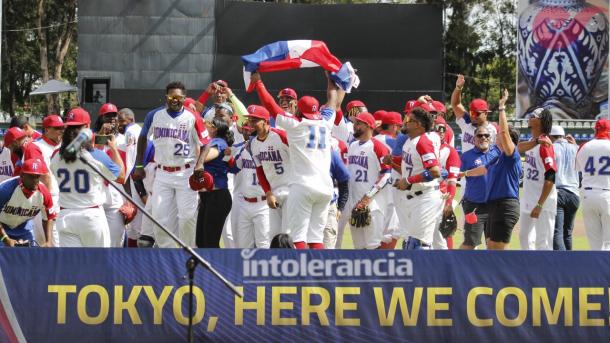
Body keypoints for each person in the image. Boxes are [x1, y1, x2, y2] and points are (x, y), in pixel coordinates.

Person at [272, 75, 343, 249]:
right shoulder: (326, 122)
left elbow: (270, 106)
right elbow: (333, 100)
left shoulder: (296, 125)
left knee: (298, 236)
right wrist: (330, 76)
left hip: (302, 186)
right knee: (316, 237)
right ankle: (315, 273)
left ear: (298, 108)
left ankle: (300, 273)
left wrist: (258, 83)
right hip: (325, 188)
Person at [133, 81, 205, 248]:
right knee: (159, 217)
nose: (175, 100)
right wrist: (138, 165)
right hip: (163, 173)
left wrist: (199, 163)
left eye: (178, 97)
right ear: (166, 97)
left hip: (186, 173)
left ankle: (188, 253)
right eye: (171, 96)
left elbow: (207, 142)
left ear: (184, 98)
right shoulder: (154, 115)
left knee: (187, 217)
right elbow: (143, 137)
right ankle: (168, 253)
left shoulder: (192, 117)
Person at [51, 107, 124, 247]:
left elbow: (73, 152)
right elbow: (121, 176)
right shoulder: (96, 155)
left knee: (73, 266)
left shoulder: (56, 156)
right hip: (91, 216)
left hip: (66, 216)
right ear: (87, 127)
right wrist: (113, 148)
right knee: (97, 266)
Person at [475, 90, 522, 250]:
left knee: (498, 251)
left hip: (506, 206)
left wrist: (501, 107)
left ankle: (510, 276)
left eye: (502, 137)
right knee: (490, 248)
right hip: (492, 206)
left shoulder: (512, 155)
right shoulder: (497, 159)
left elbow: (503, 132)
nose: (497, 139)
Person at [394, 107, 443, 249]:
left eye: (409, 120)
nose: (405, 122)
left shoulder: (423, 141)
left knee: (419, 245)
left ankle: (425, 272)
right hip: (413, 197)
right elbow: (410, 168)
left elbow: (434, 172)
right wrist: (392, 161)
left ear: (419, 125)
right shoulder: (410, 141)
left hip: (425, 197)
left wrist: (408, 181)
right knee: (410, 243)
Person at [344, 112, 391, 249]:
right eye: (354, 123)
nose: (354, 126)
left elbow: (387, 174)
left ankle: (378, 271)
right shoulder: (352, 146)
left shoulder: (377, 147)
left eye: (358, 123)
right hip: (354, 204)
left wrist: (368, 197)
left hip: (372, 205)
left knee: (373, 246)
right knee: (359, 248)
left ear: (369, 126)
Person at [247, 105, 291, 239]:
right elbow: (260, 171)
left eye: (255, 121)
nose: (251, 124)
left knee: (290, 234)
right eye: (250, 120)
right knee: (274, 236)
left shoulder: (281, 136)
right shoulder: (253, 143)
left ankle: (295, 260)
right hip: (274, 192)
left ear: (265, 121)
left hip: (292, 189)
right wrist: (268, 192)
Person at [517, 106, 557, 250]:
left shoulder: (545, 145)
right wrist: (536, 141)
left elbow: (551, 176)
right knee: (524, 237)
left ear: (540, 121)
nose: (529, 117)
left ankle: (545, 272)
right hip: (528, 198)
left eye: (533, 116)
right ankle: (529, 270)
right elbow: (518, 148)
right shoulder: (533, 141)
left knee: (543, 243)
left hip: (543, 202)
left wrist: (540, 205)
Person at [192, 117, 234, 248]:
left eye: (209, 124)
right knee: (201, 241)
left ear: (215, 128)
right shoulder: (211, 141)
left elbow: (207, 156)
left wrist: (198, 152)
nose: (205, 126)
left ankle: (216, 268)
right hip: (208, 196)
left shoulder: (218, 142)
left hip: (218, 196)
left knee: (210, 242)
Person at [23, 115, 65, 247]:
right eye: (57, 128)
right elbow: (43, 176)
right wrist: (49, 203)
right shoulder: (35, 146)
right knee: (50, 244)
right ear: (46, 130)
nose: (60, 131)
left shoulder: (65, 145)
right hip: (46, 200)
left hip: (66, 199)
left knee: (62, 243)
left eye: (62, 128)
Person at [0, 159, 56, 247]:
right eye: (31, 176)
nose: (35, 180)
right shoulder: (5, 189)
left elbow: (49, 217)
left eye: (37, 176)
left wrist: (48, 241)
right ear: (22, 175)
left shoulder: (44, 193)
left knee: (31, 257)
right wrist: (5, 238)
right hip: (2, 227)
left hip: (24, 228)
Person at [458, 126, 495, 249]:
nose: (483, 138)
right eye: (479, 135)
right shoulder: (466, 156)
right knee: (470, 244)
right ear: (474, 139)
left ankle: (491, 268)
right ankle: (454, 266)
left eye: (486, 135)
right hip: (474, 206)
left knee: (493, 245)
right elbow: (457, 175)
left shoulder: (497, 153)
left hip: (494, 206)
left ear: (490, 138)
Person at [575, 119, 610, 250]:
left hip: (588, 195)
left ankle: (596, 270)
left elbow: (578, 168)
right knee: (608, 242)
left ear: (595, 130)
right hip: (607, 193)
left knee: (594, 243)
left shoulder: (585, 146)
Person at [549, 125, 580, 250]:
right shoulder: (576, 148)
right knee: (568, 233)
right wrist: (575, 145)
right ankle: (570, 265)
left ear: (551, 136)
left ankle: (561, 265)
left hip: (558, 193)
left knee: (557, 232)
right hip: (574, 194)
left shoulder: (551, 148)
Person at [451, 74, 497, 153]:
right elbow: (455, 104)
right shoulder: (467, 121)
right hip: (466, 164)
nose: (473, 116)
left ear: (486, 113)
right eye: (472, 113)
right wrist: (458, 88)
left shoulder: (493, 130)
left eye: (477, 113)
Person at [436, 122, 461, 249]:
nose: (440, 132)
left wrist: (449, 203)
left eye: (442, 130)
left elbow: (452, 181)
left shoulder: (450, 151)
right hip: (419, 196)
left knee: (444, 231)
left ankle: (448, 262)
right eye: (437, 129)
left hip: (441, 197)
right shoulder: (420, 146)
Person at [324, 148, 350, 249]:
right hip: (305, 206)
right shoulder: (300, 151)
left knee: (328, 245)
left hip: (328, 205)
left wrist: (340, 207)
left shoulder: (331, 154)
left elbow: (344, 181)